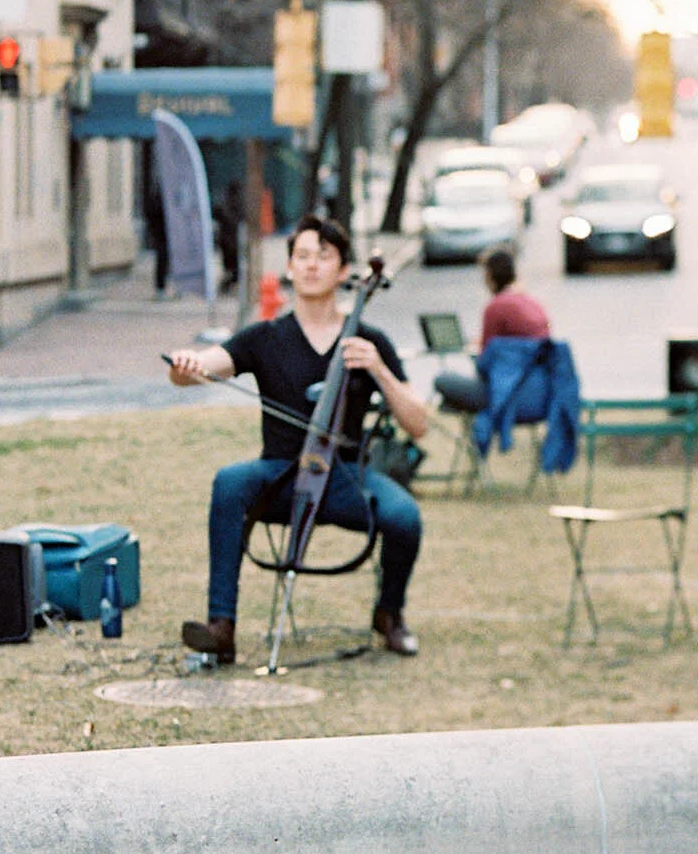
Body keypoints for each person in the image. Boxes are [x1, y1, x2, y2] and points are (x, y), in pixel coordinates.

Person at [166, 212, 428, 663]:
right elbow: (202, 368)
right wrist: (186, 365)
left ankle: (389, 614)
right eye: (301, 256)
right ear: (289, 267)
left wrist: (379, 369)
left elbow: (418, 424)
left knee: (404, 516)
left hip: (346, 476)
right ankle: (221, 627)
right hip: (281, 474)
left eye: (323, 257)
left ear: (343, 271)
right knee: (230, 482)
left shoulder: (368, 340)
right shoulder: (265, 337)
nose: (310, 266)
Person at [432, 248, 550, 416]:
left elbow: (485, 363)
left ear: (490, 276)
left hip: (505, 391)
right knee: (452, 403)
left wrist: (475, 351)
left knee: (443, 380)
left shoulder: (496, 307)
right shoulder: (534, 303)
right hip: (539, 391)